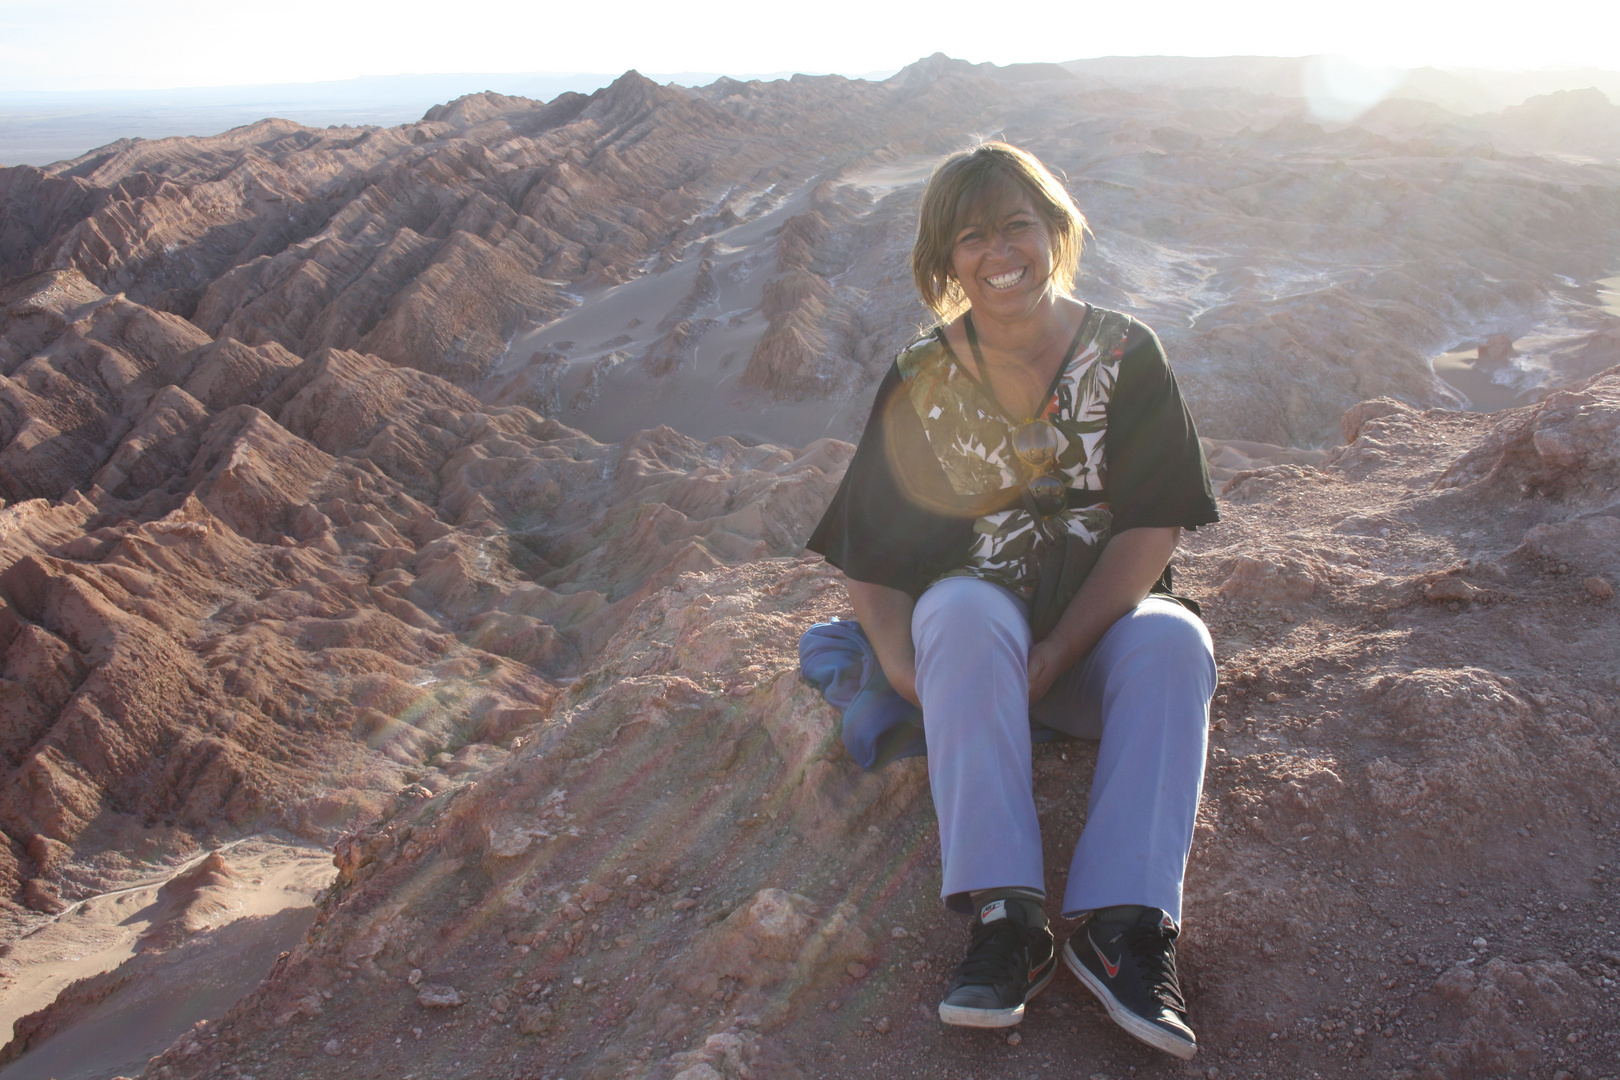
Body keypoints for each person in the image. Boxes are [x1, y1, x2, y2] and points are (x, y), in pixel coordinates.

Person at [804, 142, 1218, 1061]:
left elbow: (1154, 530)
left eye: (1019, 227)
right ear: (943, 259)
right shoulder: (921, 377)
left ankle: (1128, 930)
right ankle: (1007, 920)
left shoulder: (1125, 352)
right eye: (972, 236)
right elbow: (869, 555)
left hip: (1092, 653)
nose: (1001, 253)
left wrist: (1060, 652)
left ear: (1057, 233)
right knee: (957, 608)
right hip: (977, 658)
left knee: (1174, 640)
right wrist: (907, 668)